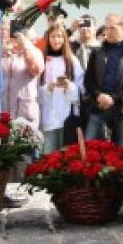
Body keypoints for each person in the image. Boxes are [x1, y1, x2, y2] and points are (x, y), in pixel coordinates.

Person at [83, 16, 123, 145]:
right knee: (89, 150)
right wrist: (99, 96)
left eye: (113, 28)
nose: (108, 32)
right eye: (106, 28)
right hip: (98, 108)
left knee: (122, 154)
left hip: (122, 112)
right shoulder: (96, 53)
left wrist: (113, 98)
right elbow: (88, 81)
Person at [38, 22, 83, 154]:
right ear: (48, 39)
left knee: (66, 156)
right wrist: (49, 87)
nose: (56, 40)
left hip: (67, 115)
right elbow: (35, 89)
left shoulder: (72, 60)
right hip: (48, 115)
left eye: (59, 36)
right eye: (53, 36)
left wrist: (68, 85)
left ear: (64, 39)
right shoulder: (42, 59)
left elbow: (81, 87)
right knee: (49, 155)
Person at [0, 19, 44, 128]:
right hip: (1, 115)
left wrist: (25, 47)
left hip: (25, 115)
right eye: (3, 29)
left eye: (10, 30)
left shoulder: (34, 51)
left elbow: (36, 70)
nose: (7, 33)